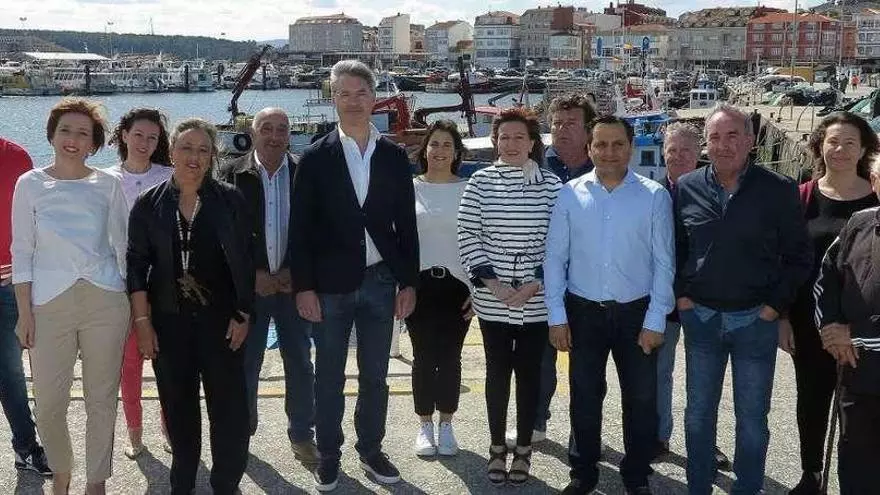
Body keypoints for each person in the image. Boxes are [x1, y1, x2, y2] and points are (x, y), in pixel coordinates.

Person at [290, 59, 419, 492]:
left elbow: (406, 225)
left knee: (376, 376)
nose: (352, 101)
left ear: (373, 96)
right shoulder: (314, 157)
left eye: (360, 92)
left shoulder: (393, 156)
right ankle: (329, 454)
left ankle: (371, 448)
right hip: (329, 287)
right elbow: (300, 230)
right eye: (343, 93)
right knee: (328, 377)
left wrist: (409, 281)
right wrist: (304, 287)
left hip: (381, 282)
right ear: (333, 99)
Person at [674, 103, 813, 494]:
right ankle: (698, 486)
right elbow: (674, 248)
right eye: (715, 137)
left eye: (733, 135)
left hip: (754, 320)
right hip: (701, 318)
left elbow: (799, 256)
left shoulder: (779, 189)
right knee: (698, 415)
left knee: (752, 420)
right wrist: (682, 296)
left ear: (751, 140)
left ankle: (747, 487)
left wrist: (773, 307)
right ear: (706, 143)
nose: (723, 145)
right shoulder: (687, 187)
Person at [545, 115, 674, 495]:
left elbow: (664, 262)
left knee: (641, 399)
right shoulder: (569, 195)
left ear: (630, 148)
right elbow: (555, 258)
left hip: (637, 312)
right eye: (601, 144)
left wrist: (656, 320)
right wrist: (556, 317)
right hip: (583, 311)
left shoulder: (654, 196)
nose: (609, 152)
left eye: (618, 144)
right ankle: (583, 473)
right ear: (589, 149)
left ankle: (636, 475)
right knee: (585, 396)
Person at [127, 118, 253, 495]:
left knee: (229, 415)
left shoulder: (230, 199)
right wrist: (143, 323)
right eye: (186, 147)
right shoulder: (148, 205)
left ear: (213, 156)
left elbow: (246, 261)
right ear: (171, 152)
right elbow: (136, 266)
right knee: (180, 415)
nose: (194, 157)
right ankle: (182, 485)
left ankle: (225, 485)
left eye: (203, 150)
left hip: (222, 323)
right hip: (170, 325)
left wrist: (244, 314)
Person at [12, 98, 130, 495]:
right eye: (65, 130)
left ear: (94, 143)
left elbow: (122, 247)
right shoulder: (29, 184)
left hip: (105, 300)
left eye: (83, 133)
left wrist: (132, 302)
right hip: (48, 303)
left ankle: (96, 481)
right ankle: (61, 472)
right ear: (52, 135)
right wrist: (24, 312)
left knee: (101, 399)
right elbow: (22, 251)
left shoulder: (108, 185)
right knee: (48, 403)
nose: (73, 139)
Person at [458, 107, 561, 486]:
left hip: (536, 300)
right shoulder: (479, 182)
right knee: (497, 374)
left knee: (530, 375)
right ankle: (497, 447)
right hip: (493, 300)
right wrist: (494, 284)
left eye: (520, 137)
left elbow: (561, 243)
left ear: (533, 142)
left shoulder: (552, 186)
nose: (512, 144)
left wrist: (535, 283)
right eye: (504, 137)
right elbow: (467, 234)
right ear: (495, 142)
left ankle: (524, 450)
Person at [783, 112, 879, 494]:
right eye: (833, 141)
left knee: (859, 414)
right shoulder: (802, 197)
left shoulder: (875, 196)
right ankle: (812, 475)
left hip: (863, 331)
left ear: (865, 149)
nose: (840, 150)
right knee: (811, 400)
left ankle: (853, 480)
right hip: (811, 323)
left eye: (850, 142)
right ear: (820, 146)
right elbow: (784, 260)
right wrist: (783, 317)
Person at [220, 107, 317, 464]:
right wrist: (253, 275)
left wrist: (298, 272)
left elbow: (317, 229)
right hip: (251, 290)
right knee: (246, 364)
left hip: (294, 287)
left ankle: (302, 435)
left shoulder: (305, 172)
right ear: (253, 132)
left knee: (300, 363)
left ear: (289, 134)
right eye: (267, 128)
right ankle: (242, 434)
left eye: (282, 129)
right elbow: (225, 236)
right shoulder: (231, 173)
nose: (275, 136)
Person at [507, 94, 596, 449]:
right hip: (542, 283)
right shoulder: (535, 166)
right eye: (557, 123)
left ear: (588, 129)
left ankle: (582, 432)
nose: (562, 129)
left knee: (585, 367)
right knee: (537, 361)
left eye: (571, 123)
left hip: (588, 283)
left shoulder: (603, 168)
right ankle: (535, 423)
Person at [653, 123, 732, 470]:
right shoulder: (651, 194)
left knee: (703, 378)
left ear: (698, 152)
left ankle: (704, 443)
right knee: (660, 373)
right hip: (663, 302)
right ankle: (659, 436)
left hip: (704, 300)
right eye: (672, 150)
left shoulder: (717, 193)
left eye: (686, 150)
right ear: (663, 153)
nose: (678, 156)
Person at [106, 108, 174, 459]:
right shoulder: (104, 180)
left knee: (167, 363)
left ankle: (169, 427)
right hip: (119, 286)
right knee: (129, 364)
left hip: (163, 287)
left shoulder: (170, 176)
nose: (145, 143)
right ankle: (134, 432)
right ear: (123, 135)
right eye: (138, 135)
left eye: (152, 137)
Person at [813, 156, 880, 495]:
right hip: (858, 373)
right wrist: (831, 329)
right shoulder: (859, 222)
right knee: (855, 466)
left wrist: (857, 333)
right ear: (875, 182)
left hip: (860, 348)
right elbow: (826, 279)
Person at [407, 120, 472, 457]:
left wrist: (477, 289)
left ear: (457, 152)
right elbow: (400, 241)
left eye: (447, 145)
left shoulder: (469, 189)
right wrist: (402, 285)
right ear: (425, 149)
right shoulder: (410, 188)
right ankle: (424, 424)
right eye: (434, 144)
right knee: (422, 356)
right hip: (419, 285)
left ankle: (447, 424)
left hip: (458, 286)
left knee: (450, 357)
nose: (440, 151)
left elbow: (479, 240)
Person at [0, 137, 51, 476]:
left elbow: (35, 221)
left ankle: (26, 447)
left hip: (10, 286)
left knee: (11, 373)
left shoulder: (15, 157)